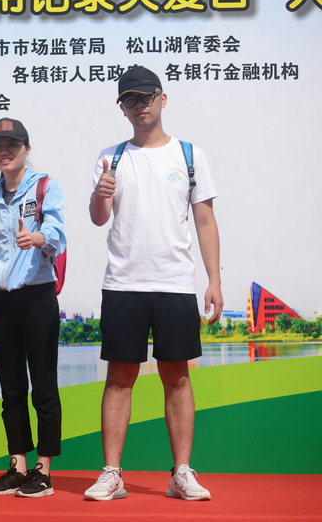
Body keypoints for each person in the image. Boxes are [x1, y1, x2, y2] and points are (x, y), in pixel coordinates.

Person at [84, 66, 223, 501]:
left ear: (163, 99)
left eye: (146, 97)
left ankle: (181, 473)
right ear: (122, 108)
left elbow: (205, 220)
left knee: (177, 377)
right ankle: (112, 474)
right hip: (123, 282)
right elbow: (98, 218)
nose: (139, 105)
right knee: (119, 377)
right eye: (130, 99)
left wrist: (214, 279)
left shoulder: (189, 154)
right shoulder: (111, 157)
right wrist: (101, 193)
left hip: (175, 282)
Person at [0, 118, 67, 498]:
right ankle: (18, 466)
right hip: (1, 301)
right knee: (11, 389)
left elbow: (58, 235)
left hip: (37, 296)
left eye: (12, 145)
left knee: (43, 386)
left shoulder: (45, 186)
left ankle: (43, 470)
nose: (4, 152)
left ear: (27, 148)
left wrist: (38, 237)